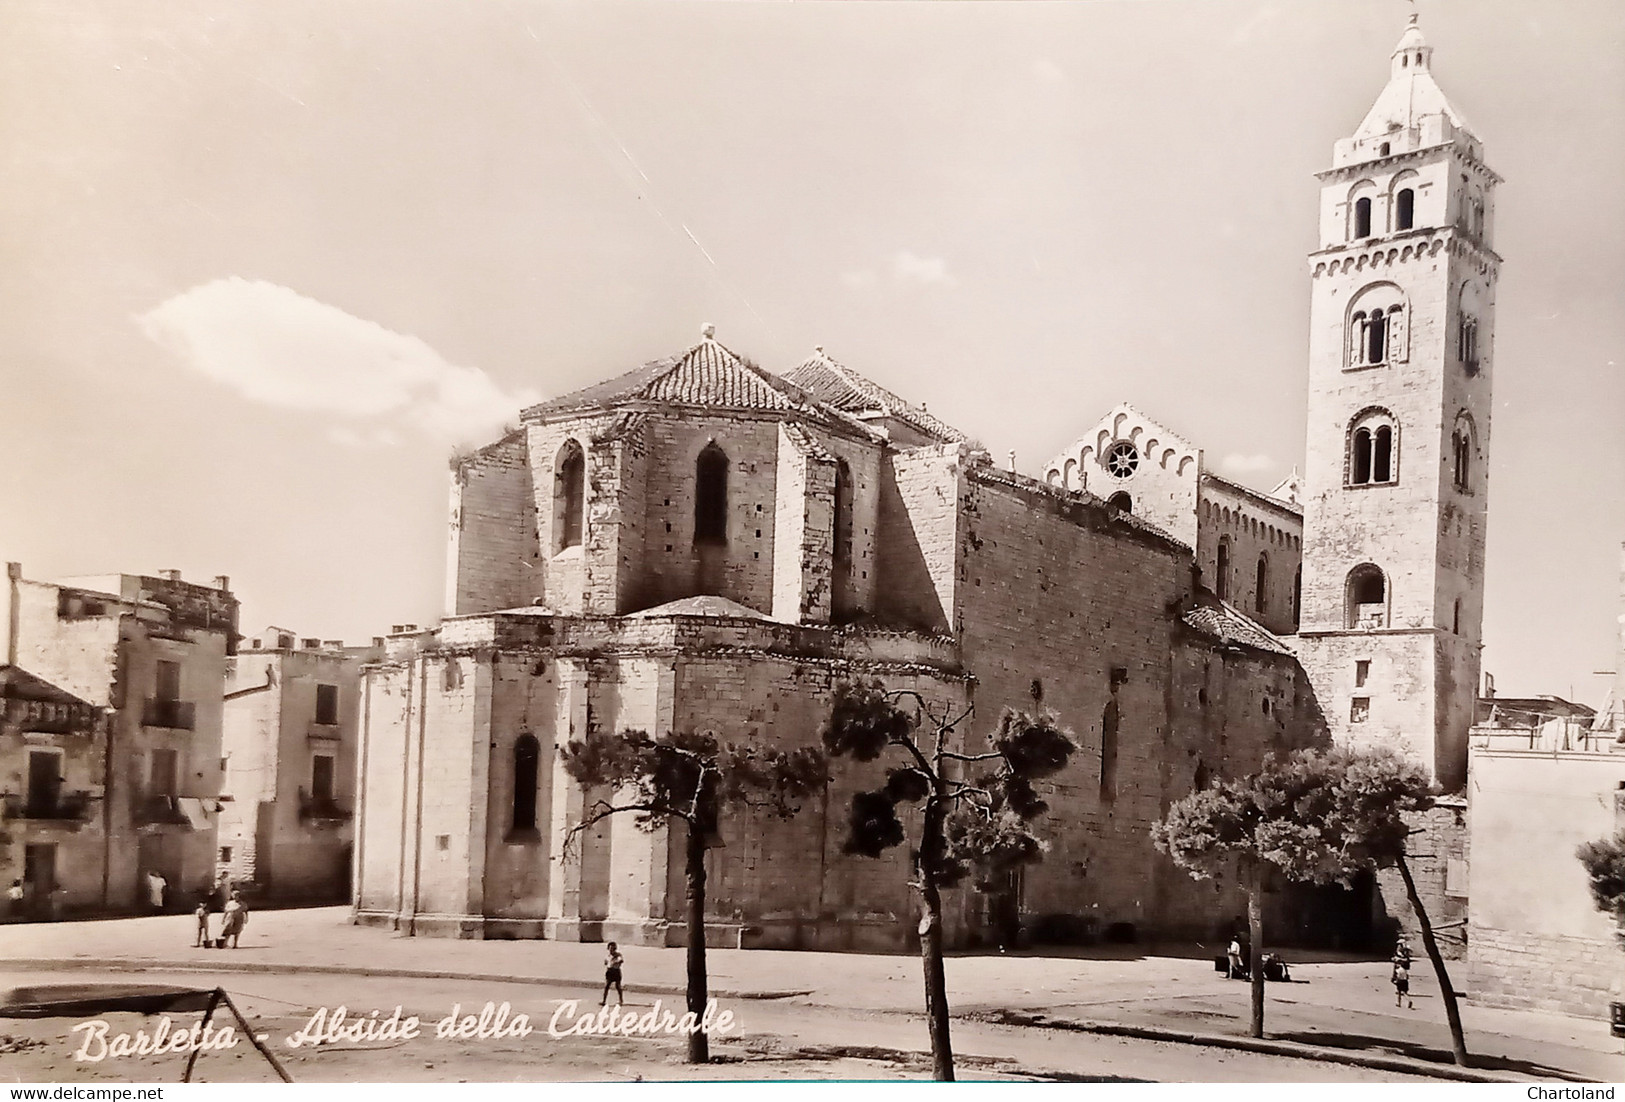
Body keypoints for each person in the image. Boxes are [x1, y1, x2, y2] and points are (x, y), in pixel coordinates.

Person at [601, 942, 624, 1006]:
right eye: (610, 948)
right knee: (606, 986)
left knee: (618, 986)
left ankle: (621, 1000)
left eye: (613, 948)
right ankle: (604, 1001)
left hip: (616, 971)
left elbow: (621, 960)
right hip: (609, 971)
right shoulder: (608, 956)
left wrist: (615, 962)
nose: (611, 950)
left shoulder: (618, 955)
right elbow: (605, 963)